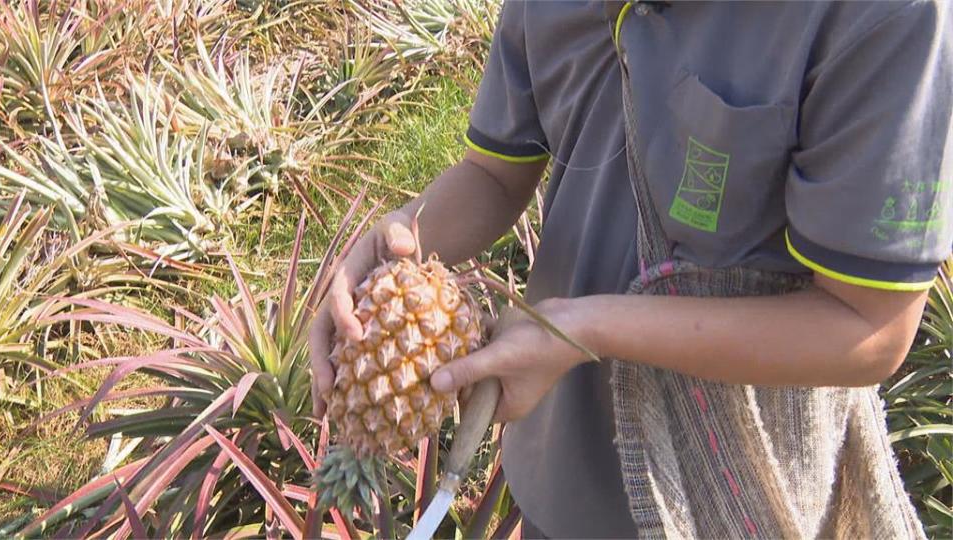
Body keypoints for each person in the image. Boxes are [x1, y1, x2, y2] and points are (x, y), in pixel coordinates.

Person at [309, 1, 952, 537]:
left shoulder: (882, 15)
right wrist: (386, 244)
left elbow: (867, 327)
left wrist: (584, 328)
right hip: (557, 475)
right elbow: (494, 174)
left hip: (736, 499)